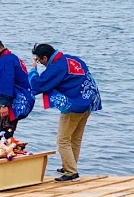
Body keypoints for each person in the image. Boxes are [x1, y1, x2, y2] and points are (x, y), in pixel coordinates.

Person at [28, 43, 102, 182]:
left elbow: (38, 84)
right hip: (89, 101)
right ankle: (70, 165)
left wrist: (33, 70)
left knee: (62, 140)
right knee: (75, 138)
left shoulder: (57, 66)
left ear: (45, 58)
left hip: (75, 105)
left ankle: (71, 172)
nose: (40, 63)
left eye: (39, 60)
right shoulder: (72, 59)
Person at [0, 37, 35, 135]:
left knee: (4, 133)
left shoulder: (5, 61)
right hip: (24, 99)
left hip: (14, 101)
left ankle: (3, 142)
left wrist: (4, 104)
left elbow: (6, 82)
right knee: (8, 130)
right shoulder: (13, 58)